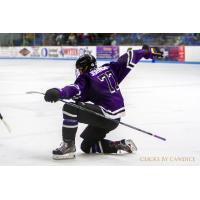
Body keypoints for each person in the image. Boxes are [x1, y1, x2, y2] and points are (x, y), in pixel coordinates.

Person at [44, 45, 163, 160]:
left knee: (69, 108)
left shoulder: (86, 78)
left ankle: (68, 146)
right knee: (87, 146)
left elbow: (75, 89)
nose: (79, 72)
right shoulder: (109, 68)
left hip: (106, 115)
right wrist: (147, 51)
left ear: (86, 68)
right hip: (115, 119)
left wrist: (58, 92)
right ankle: (121, 144)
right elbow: (129, 56)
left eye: (80, 69)